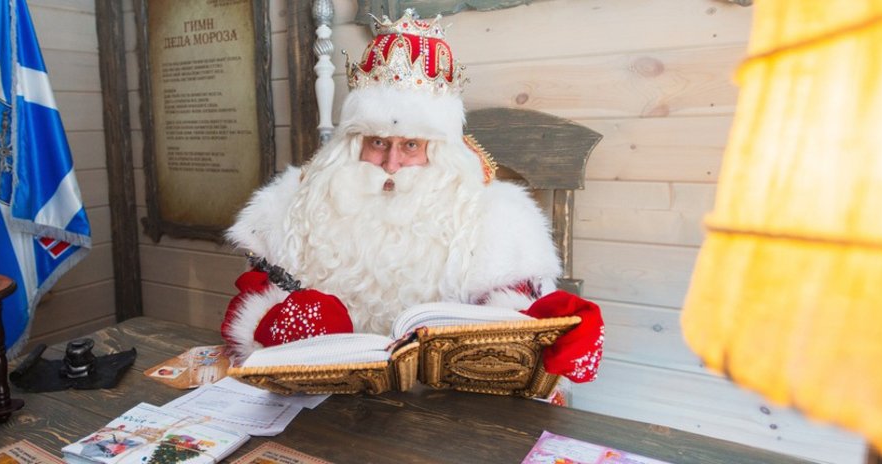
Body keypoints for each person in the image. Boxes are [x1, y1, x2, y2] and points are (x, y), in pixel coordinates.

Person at [220, 10, 603, 384]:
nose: (391, 163)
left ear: (438, 149)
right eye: (378, 143)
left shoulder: (496, 215)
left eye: (411, 145)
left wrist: (548, 327)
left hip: (440, 402)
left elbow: (518, 311)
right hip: (325, 393)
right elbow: (255, 298)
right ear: (354, 143)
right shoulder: (296, 204)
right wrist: (277, 324)